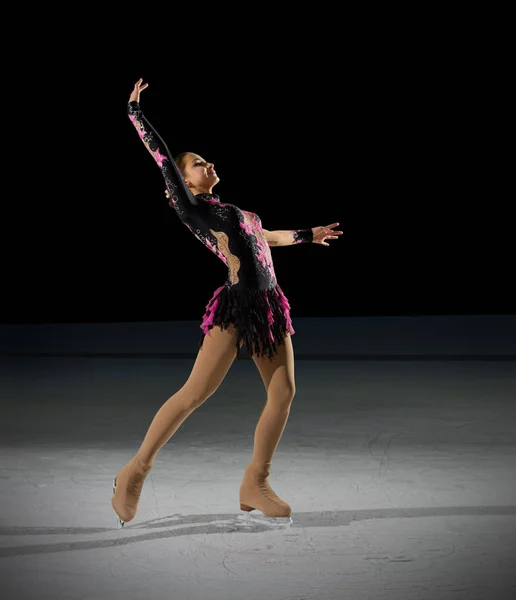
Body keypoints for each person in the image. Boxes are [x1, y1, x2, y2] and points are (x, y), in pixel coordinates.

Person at [112, 78, 342, 527]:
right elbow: (162, 158)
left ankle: (255, 482)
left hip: (270, 304)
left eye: (206, 160)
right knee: (195, 394)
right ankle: (135, 471)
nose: (207, 164)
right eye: (198, 163)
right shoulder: (191, 207)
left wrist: (307, 236)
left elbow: (266, 238)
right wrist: (135, 114)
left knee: (284, 391)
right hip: (237, 307)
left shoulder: (239, 212)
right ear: (184, 180)